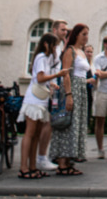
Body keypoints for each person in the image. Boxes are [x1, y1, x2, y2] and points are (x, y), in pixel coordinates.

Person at [18, 33, 65, 179]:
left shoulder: (46, 59)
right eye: (54, 45)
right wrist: (56, 76)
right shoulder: (40, 57)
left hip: (42, 99)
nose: (55, 48)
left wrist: (51, 82)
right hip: (34, 100)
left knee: (36, 135)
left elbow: (43, 78)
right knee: (30, 133)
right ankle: (23, 167)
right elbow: (40, 78)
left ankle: (32, 166)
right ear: (46, 44)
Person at [49, 23, 90, 174]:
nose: (86, 37)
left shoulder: (82, 52)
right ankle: (62, 163)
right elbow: (66, 73)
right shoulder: (70, 51)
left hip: (81, 90)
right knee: (67, 124)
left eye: (87, 34)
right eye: (84, 34)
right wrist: (69, 95)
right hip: (72, 88)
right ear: (77, 35)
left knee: (75, 124)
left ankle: (69, 160)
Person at [37, 20, 68, 171]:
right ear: (54, 30)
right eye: (63, 30)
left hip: (52, 88)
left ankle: (44, 156)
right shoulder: (48, 50)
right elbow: (44, 71)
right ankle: (41, 157)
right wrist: (53, 81)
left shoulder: (59, 47)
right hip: (45, 90)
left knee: (49, 123)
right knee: (46, 124)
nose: (65, 32)